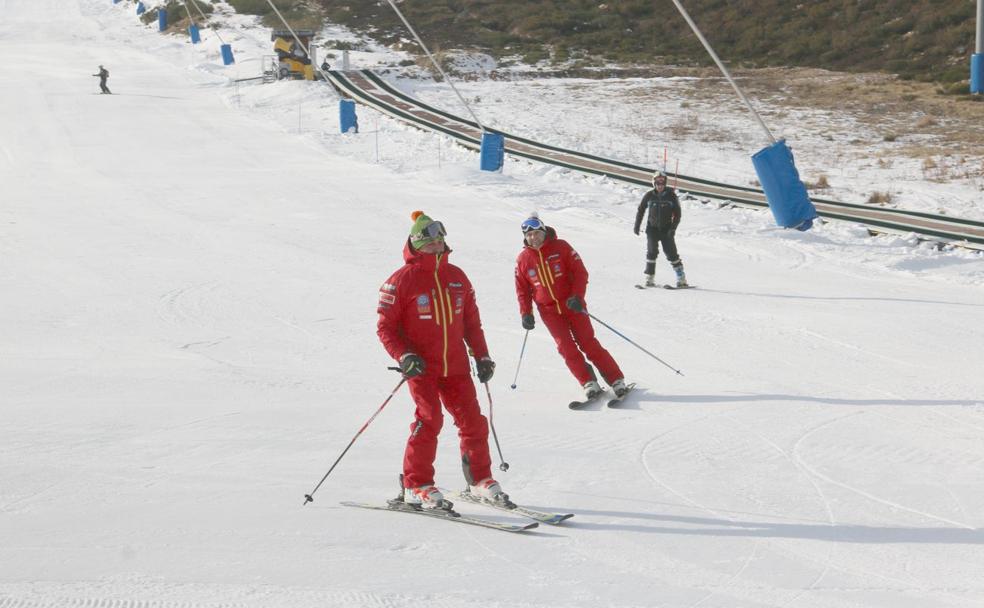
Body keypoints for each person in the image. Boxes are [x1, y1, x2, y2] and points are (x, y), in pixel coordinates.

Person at [376, 211, 510, 510]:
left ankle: (479, 480)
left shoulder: (457, 277)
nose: (437, 247)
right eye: (431, 242)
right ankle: (416, 484)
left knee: (473, 422)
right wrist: (404, 355)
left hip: (457, 366)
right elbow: (385, 327)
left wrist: (482, 355)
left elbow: (471, 323)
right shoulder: (402, 280)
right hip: (422, 367)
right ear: (417, 245)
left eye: (440, 241)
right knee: (430, 419)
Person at [513, 213, 628, 399]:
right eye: (529, 235)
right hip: (549, 311)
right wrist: (526, 313)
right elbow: (522, 290)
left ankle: (616, 379)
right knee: (565, 347)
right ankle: (588, 382)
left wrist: (577, 296)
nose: (533, 238)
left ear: (543, 231)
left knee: (588, 343)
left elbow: (580, 272)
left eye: (536, 233)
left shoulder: (561, 247)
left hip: (572, 305)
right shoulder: (523, 259)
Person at [634, 171, 686, 287]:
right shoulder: (649, 195)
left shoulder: (671, 196)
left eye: (662, 183)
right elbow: (641, 210)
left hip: (666, 230)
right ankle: (649, 278)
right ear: (654, 183)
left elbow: (678, 214)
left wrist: (673, 228)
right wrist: (637, 225)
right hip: (652, 229)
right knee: (651, 252)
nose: (660, 186)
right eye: (658, 183)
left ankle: (681, 278)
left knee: (671, 254)